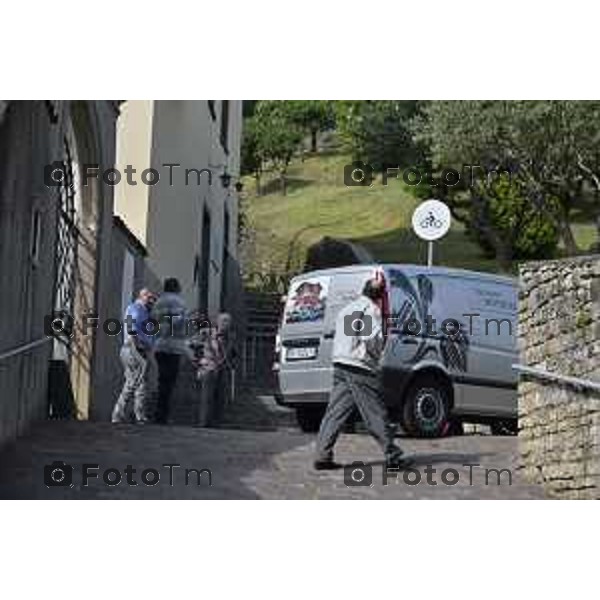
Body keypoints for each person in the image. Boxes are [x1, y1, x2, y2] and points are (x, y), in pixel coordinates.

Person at [314, 278, 410, 470]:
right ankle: (392, 455)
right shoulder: (370, 310)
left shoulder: (348, 309)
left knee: (335, 412)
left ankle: (322, 455)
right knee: (374, 411)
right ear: (380, 296)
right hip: (359, 366)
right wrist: (377, 356)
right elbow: (370, 338)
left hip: (341, 363)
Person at [112, 288, 158, 424]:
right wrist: (137, 345)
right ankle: (120, 413)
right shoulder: (137, 308)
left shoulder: (142, 311)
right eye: (150, 299)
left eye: (153, 300)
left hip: (136, 349)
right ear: (143, 297)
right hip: (135, 350)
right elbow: (131, 326)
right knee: (134, 383)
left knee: (137, 383)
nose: (152, 302)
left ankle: (136, 415)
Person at [189, 312, 235, 427]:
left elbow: (232, 354)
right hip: (208, 368)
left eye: (229, 322)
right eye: (224, 321)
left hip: (222, 369)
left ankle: (217, 422)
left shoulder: (231, 337)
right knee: (206, 397)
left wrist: (230, 364)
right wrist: (198, 361)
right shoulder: (206, 333)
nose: (227, 324)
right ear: (218, 322)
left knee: (220, 398)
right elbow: (189, 344)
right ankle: (203, 422)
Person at [153, 278, 188, 424]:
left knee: (162, 380)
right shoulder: (179, 302)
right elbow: (179, 321)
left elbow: (153, 319)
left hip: (159, 345)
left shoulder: (158, 302)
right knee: (169, 382)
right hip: (173, 346)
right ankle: (163, 416)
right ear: (177, 287)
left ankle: (159, 414)